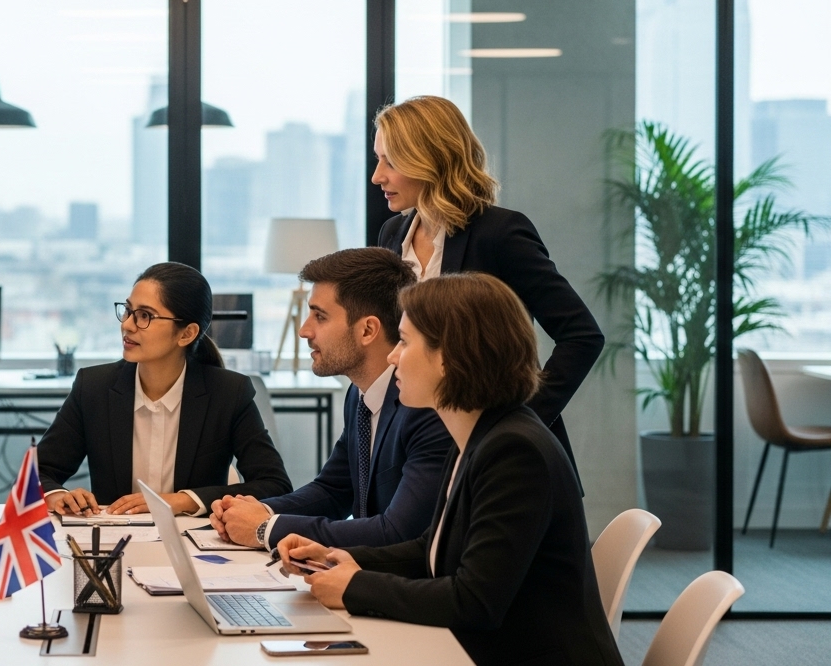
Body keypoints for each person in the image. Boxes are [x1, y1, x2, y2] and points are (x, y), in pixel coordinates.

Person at [276, 274, 621, 666]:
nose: (392, 356)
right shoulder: (479, 433)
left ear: (450, 356)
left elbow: (474, 601)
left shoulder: (514, 451)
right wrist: (339, 558)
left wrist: (355, 586)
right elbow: (433, 548)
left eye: (404, 342)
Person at [371, 95, 603, 478]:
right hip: (415, 451)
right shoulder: (391, 234)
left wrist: (517, 422)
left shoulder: (500, 233)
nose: (377, 176)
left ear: (429, 158)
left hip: (501, 465)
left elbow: (582, 336)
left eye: (389, 161)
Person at [209, 248, 450, 549]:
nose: (303, 330)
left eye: (319, 316)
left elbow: (398, 532)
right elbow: (334, 490)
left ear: (367, 330)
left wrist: (266, 528)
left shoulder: (424, 406)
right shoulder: (359, 395)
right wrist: (261, 511)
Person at [39, 262, 291, 516]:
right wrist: (58, 495)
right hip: (114, 543)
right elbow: (39, 472)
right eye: (128, 311)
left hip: (193, 546)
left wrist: (183, 500)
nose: (127, 324)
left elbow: (275, 485)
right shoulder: (94, 387)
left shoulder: (228, 393)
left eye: (145, 315)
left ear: (186, 334)